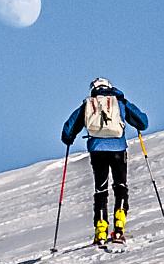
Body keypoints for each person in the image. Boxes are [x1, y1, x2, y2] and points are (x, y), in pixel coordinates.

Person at [61, 78, 149, 245]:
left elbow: (69, 128)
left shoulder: (88, 104)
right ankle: (119, 228)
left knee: (100, 190)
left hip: (97, 150)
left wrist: (68, 139)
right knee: (120, 186)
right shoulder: (120, 102)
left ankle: (101, 231)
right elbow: (143, 122)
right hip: (118, 150)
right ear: (110, 88)